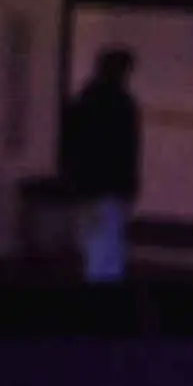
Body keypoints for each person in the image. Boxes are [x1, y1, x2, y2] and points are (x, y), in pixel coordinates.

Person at [58, 46, 141, 282]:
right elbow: (127, 151)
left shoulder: (83, 101)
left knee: (91, 246)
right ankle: (103, 306)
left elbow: (69, 144)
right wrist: (130, 186)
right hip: (112, 188)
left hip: (85, 186)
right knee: (108, 251)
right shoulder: (124, 105)